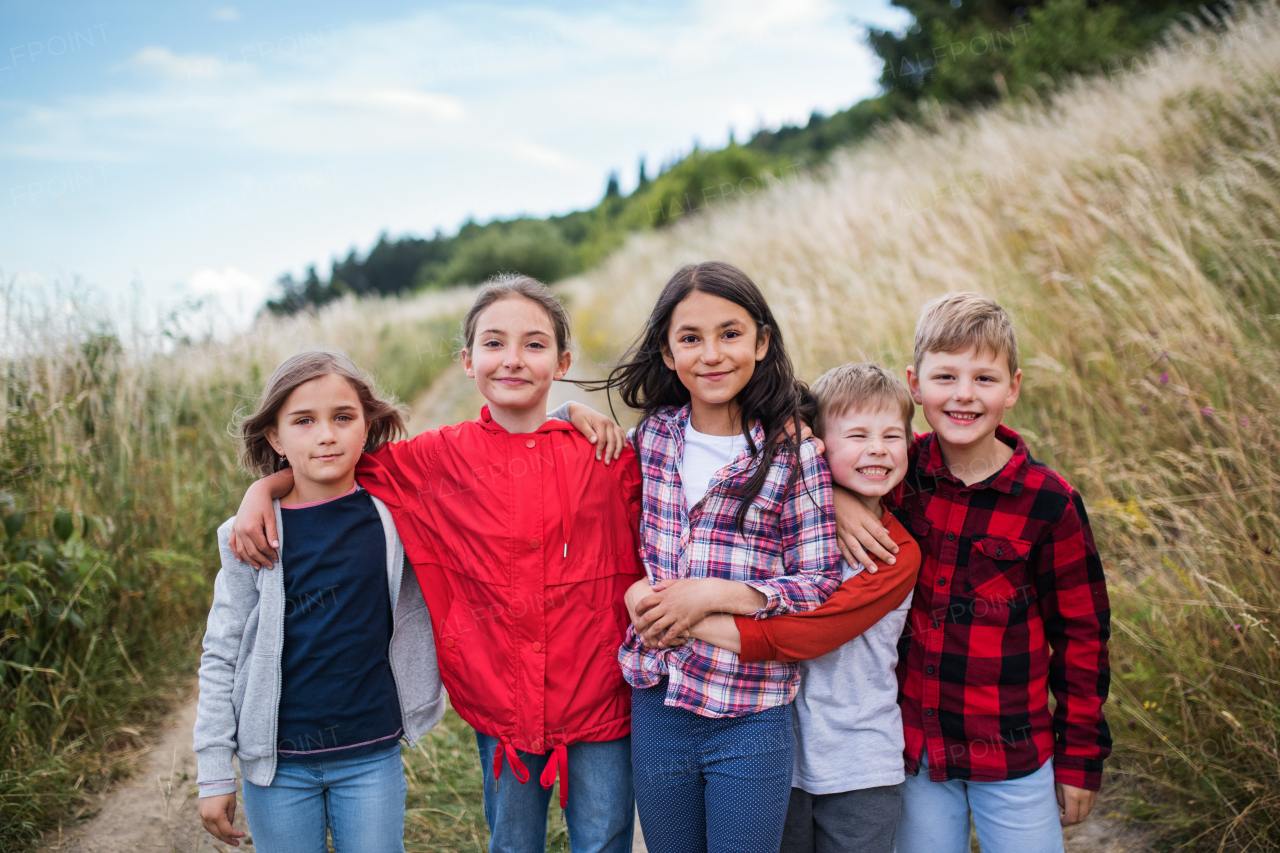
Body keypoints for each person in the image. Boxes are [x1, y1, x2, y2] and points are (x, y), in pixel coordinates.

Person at [227, 275, 642, 853]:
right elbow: (338, 469)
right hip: (505, 707)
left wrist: (573, 413)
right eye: (494, 344)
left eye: (535, 344)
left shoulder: (607, 456)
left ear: (563, 359)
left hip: (601, 701)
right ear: (467, 361)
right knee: (513, 843)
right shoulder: (437, 460)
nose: (513, 360)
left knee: (604, 842)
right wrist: (263, 490)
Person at [837, 293, 1112, 852]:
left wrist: (1080, 755)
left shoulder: (1048, 503)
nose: (964, 394)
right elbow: (800, 440)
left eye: (984, 378)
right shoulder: (891, 472)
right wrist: (840, 501)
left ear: (1012, 387)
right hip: (916, 751)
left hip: (1012, 753)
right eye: (946, 376)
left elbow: (1082, 636)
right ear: (915, 385)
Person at [601, 261, 844, 853]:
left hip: (751, 708)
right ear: (666, 352)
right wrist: (571, 417)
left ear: (761, 342)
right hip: (659, 698)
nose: (711, 354)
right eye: (690, 338)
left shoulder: (792, 454)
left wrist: (711, 594)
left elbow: (818, 581)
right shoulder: (652, 438)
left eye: (730, 334)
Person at [194, 348, 445, 852]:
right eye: (304, 421)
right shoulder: (250, 534)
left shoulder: (397, 517)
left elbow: (495, 454)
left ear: (367, 425)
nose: (327, 434)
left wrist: (567, 414)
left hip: (371, 755)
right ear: (275, 437)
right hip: (278, 764)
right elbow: (221, 654)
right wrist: (214, 772)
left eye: (343, 418)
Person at [672, 362, 923, 853]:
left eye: (893, 435)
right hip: (773, 756)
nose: (877, 448)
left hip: (860, 765)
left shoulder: (896, 551)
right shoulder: (787, 526)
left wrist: (688, 614)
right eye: (857, 435)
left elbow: (805, 636)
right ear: (818, 444)